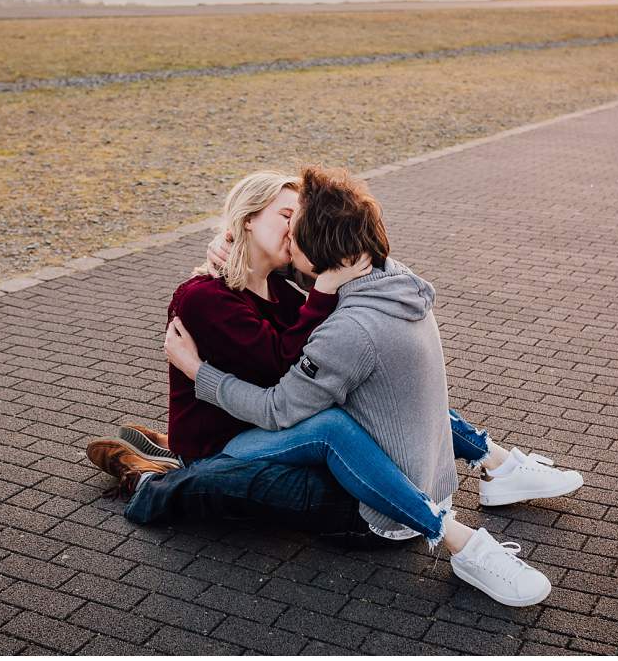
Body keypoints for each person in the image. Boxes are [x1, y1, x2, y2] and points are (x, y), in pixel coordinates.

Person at [155, 167, 585, 606]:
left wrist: (336, 269)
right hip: (226, 440)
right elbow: (280, 366)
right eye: (286, 214)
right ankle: (458, 537)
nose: (294, 228)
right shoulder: (205, 297)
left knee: (384, 395)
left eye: (298, 218)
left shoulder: (279, 287)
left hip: (275, 420)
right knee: (332, 424)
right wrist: (196, 371)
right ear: (247, 218)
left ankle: (498, 464)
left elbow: (335, 252)